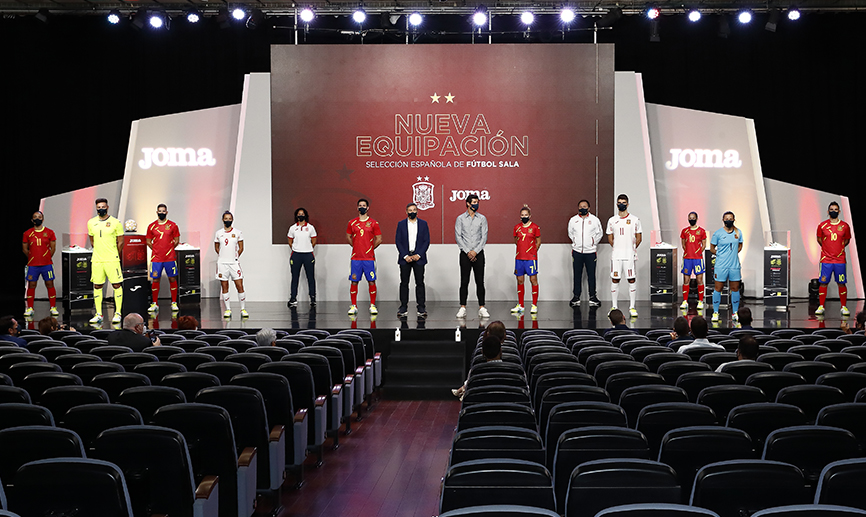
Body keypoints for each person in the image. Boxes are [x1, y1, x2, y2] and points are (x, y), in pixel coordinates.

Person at [88, 198, 124, 325]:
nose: (101, 209)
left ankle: (118, 313)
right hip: (97, 260)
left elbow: (121, 242)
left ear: (107, 207)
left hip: (112, 259)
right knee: (97, 286)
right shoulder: (91, 222)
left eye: (103, 207)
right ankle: (98, 314)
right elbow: (92, 241)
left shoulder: (116, 222)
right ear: (96, 208)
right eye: (98, 207)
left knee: (116, 285)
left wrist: (114, 254)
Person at [606, 194, 642, 318]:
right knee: (615, 279)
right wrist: (618, 247)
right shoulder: (612, 220)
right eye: (620, 202)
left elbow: (639, 237)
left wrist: (630, 249)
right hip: (616, 256)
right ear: (617, 204)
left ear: (627, 204)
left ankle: (632, 307)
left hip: (629, 256)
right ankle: (614, 307)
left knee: (631, 279)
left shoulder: (635, 220)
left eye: (624, 202)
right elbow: (610, 238)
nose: (622, 204)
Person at [452, 321, 506, 399]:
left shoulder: (476, 371)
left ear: (482, 352)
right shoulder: (515, 370)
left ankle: (462, 390)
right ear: (500, 351)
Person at [346, 199, 382, 316]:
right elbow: (348, 236)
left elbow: (379, 239)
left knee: (371, 281)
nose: (362, 207)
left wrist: (369, 248)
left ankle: (372, 305)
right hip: (356, 258)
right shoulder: (352, 223)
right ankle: (353, 306)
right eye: (360, 205)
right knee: (354, 281)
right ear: (357, 208)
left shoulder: (374, 223)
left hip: (369, 259)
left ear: (367, 208)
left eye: (364, 205)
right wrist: (356, 247)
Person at [815, 201, 852, 317]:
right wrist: (827, 249)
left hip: (840, 260)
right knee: (823, 282)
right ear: (828, 211)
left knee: (841, 283)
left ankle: (843, 307)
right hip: (826, 260)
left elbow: (847, 240)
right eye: (831, 209)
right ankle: (821, 306)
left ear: (839, 211)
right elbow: (819, 239)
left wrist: (838, 249)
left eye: (836, 210)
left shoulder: (845, 226)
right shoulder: (822, 226)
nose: (833, 211)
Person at [455, 194, 489, 319]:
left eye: (477, 202)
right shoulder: (460, 219)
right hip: (465, 254)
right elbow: (458, 237)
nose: (476, 204)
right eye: (474, 202)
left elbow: (484, 237)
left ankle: (482, 307)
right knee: (464, 281)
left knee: (480, 281)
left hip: (479, 254)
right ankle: (462, 307)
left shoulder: (482, 218)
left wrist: (475, 251)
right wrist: (468, 251)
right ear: (468, 204)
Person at [396, 203, 430, 318]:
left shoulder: (423, 224)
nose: (412, 212)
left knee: (419, 283)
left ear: (417, 211)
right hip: (405, 258)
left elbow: (426, 241)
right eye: (410, 210)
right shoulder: (401, 224)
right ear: (406, 212)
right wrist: (405, 255)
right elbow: (398, 241)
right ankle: (403, 307)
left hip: (419, 258)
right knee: (404, 283)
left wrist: (419, 255)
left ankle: (421, 307)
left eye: (414, 210)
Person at [567, 199, 603, 307]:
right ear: (578, 208)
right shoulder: (573, 220)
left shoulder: (594, 220)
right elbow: (570, 233)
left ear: (589, 208)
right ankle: (576, 297)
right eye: (581, 207)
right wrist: (576, 242)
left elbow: (599, 233)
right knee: (577, 275)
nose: (583, 208)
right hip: (577, 252)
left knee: (591, 275)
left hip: (590, 252)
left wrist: (593, 243)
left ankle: (593, 297)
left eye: (585, 206)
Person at [22, 211, 58, 318]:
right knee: (31, 285)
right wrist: (33, 257)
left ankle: (53, 307)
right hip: (33, 265)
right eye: (35, 217)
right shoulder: (27, 233)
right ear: (32, 220)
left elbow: (53, 248)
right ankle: (30, 308)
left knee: (50, 284)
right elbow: (25, 249)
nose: (37, 218)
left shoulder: (50, 232)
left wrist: (46, 257)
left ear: (43, 219)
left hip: (47, 264)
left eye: (39, 217)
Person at [146, 204, 181, 314]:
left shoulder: (173, 225)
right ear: (157, 212)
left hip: (170, 257)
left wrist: (168, 249)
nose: (161, 213)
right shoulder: (151, 226)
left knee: (172, 279)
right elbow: (148, 241)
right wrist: (157, 250)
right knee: (155, 279)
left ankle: (174, 302)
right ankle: (154, 303)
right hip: (156, 258)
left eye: (163, 211)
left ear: (166, 212)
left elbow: (176, 240)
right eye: (160, 211)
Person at [710, 211, 744, 324]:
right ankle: (715, 312)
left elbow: (740, 245)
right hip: (721, 266)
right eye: (726, 218)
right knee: (718, 288)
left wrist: (732, 253)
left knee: (735, 288)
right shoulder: (717, 233)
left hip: (734, 265)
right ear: (723, 220)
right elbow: (712, 248)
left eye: (730, 218)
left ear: (734, 220)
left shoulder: (738, 232)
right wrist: (721, 254)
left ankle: (735, 313)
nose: (728, 220)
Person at [214, 211, 248, 319]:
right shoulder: (218, 233)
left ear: (232, 220)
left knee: (240, 286)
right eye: (226, 219)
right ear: (223, 220)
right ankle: (228, 309)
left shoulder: (238, 232)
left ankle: (243, 309)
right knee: (225, 286)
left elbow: (241, 248)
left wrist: (235, 257)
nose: (228, 220)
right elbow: (216, 247)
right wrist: (223, 256)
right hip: (222, 264)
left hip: (234, 263)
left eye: (229, 219)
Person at [511, 206, 541, 315]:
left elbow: (538, 241)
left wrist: (532, 252)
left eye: (526, 215)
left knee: (533, 280)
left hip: (530, 259)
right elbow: (516, 240)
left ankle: (534, 305)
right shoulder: (517, 227)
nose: (524, 217)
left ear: (530, 215)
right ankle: (521, 305)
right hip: (519, 258)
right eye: (522, 215)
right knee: (520, 280)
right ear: (520, 216)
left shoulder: (535, 227)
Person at [287, 207, 317, 308]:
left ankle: (313, 298)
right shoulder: (292, 228)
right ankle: (293, 298)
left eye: (302, 214)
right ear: (296, 216)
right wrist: (296, 248)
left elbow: (314, 241)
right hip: (296, 255)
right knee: (295, 277)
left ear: (305, 215)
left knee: (310, 277)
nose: (301, 215)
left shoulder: (311, 228)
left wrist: (307, 248)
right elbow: (290, 241)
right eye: (299, 214)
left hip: (308, 255)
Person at [680, 211, 707, 310]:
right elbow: (683, 244)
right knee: (686, 280)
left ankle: (700, 301)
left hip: (697, 259)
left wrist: (697, 252)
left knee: (699, 280)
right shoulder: (684, 231)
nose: (692, 219)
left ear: (697, 219)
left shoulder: (702, 231)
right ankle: (685, 301)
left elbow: (703, 245)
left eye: (693, 218)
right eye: (690, 218)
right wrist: (689, 252)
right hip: (687, 258)